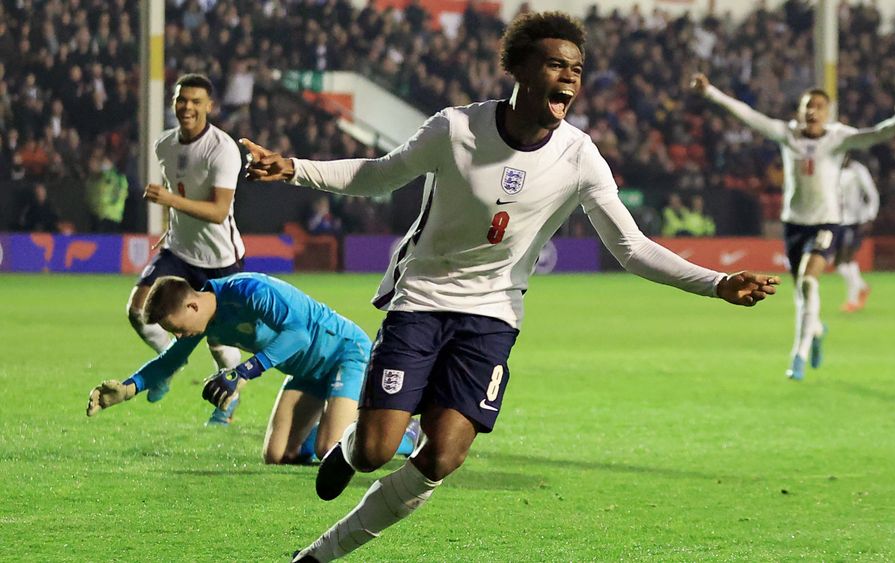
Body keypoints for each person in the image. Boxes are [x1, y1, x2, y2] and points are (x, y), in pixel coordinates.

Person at [243, 12, 779, 562]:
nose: (569, 78)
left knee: (443, 457)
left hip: (493, 315)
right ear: (519, 69)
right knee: (379, 447)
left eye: (576, 68)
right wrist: (293, 168)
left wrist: (717, 283)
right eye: (555, 65)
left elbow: (632, 248)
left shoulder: (578, 155)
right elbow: (380, 174)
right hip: (423, 298)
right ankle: (352, 449)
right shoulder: (454, 129)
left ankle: (319, 555)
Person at [691, 73, 895, 381]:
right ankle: (818, 329)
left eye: (819, 106)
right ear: (800, 110)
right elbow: (748, 115)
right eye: (808, 106)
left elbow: (874, 134)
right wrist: (711, 92)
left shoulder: (838, 137)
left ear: (828, 112)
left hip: (826, 222)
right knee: (801, 291)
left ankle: (799, 354)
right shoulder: (789, 134)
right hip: (794, 224)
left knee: (810, 283)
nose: (813, 111)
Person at [86, 273, 421, 464]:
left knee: (330, 451)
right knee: (277, 455)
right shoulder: (204, 323)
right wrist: (128, 389)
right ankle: (337, 422)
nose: (178, 334)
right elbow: (170, 360)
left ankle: (408, 435)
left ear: (192, 304)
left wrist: (242, 372)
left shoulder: (250, 291)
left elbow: (299, 335)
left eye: (176, 326)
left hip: (344, 352)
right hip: (305, 371)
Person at [127, 73, 247, 425]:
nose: (187, 107)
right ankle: (169, 363)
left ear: (209, 107)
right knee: (138, 310)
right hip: (179, 249)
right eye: (182, 100)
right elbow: (182, 193)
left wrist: (170, 200)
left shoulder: (222, 149)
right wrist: (170, 228)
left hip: (219, 258)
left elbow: (218, 211)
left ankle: (229, 397)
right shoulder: (164, 145)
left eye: (196, 101)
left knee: (217, 340)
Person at [836, 158, 879, 312]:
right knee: (839, 265)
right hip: (835, 220)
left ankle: (852, 301)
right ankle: (862, 287)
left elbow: (871, 193)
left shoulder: (857, 169)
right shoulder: (831, 165)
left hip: (853, 221)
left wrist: (870, 216)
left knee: (847, 258)